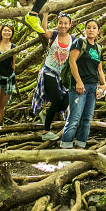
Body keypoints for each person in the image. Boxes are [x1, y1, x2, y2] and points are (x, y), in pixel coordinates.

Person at [60, 19, 106, 149]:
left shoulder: (98, 48)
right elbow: (72, 62)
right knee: (74, 119)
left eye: (94, 27)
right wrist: (79, 82)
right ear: (85, 29)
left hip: (93, 87)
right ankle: (65, 149)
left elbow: (99, 69)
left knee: (87, 120)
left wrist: (104, 84)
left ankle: (80, 148)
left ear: (98, 31)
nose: (91, 30)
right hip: (79, 87)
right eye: (88, 27)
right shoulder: (79, 42)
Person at [31, 12, 74, 141]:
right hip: (49, 71)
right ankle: (46, 131)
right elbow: (44, 31)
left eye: (65, 23)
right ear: (57, 24)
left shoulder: (74, 39)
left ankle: (45, 113)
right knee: (55, 100)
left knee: (64, 103)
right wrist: (45, 14)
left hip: (63, 76)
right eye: (60, 23)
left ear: (70, 25)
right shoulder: (54, 35)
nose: (63, 25)